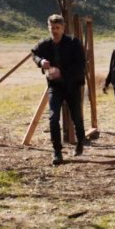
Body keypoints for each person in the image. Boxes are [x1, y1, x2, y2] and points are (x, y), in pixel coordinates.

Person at [32, 14, 88, 165]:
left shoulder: (73, 43)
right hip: (55, 86)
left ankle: (80, 141)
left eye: (57, 28)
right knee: (53, 117)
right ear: (48, 27)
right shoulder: (45, 44)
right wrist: (41, 61)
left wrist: (61, 72)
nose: (55, 31)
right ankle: (57, 151)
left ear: (63, 28)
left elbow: (81, 65)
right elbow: (34, 53)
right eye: (52, 28)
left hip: (72, 85)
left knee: (76, 117)